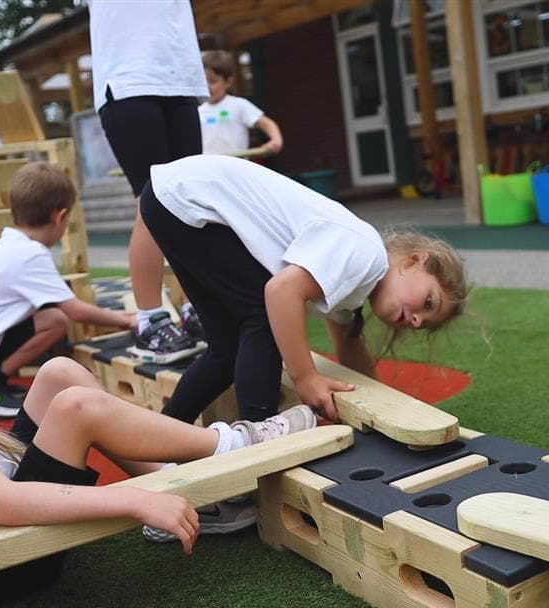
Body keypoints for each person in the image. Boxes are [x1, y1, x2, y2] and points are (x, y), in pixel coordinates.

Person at [0, 211, 317, 605]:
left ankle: (183, 483)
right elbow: (4, 503)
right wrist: (133, 500)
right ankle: (235, 444)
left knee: (59, 375)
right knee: (77, 407)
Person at [137, 154, 468, 537]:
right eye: (427, 302)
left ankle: (158, 456)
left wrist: (384, 413)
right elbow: (281, 291)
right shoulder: (366, 255)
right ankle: (256, 458)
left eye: (422, 324)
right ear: (413, 261)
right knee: (260, 317)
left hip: (171, 199)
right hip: (190, 200)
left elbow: (349, 344)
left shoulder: (356, 280)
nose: (415, 320)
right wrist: (306, 377)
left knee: (225, 349)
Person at [0, 162, 135, 417]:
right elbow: (75, 311)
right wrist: (127, 321)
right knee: (57, 319)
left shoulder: (10, 243)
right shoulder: (30, 254)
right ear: (59, 217)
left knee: (49, 316)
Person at [90, 0, 208, 365]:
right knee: (154, 199)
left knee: (192, 204)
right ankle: (150, 319)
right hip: (129, 81)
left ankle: (195, 307)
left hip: (179, 78)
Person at [199, 50, 283, 156]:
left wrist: (276, 140)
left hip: (236, 165)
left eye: (212, 81)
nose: (207, 86)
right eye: (203, 81)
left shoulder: (239, 105)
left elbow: (267, 123)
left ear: (228, 82)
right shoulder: (199, 112)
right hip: (209, 166)